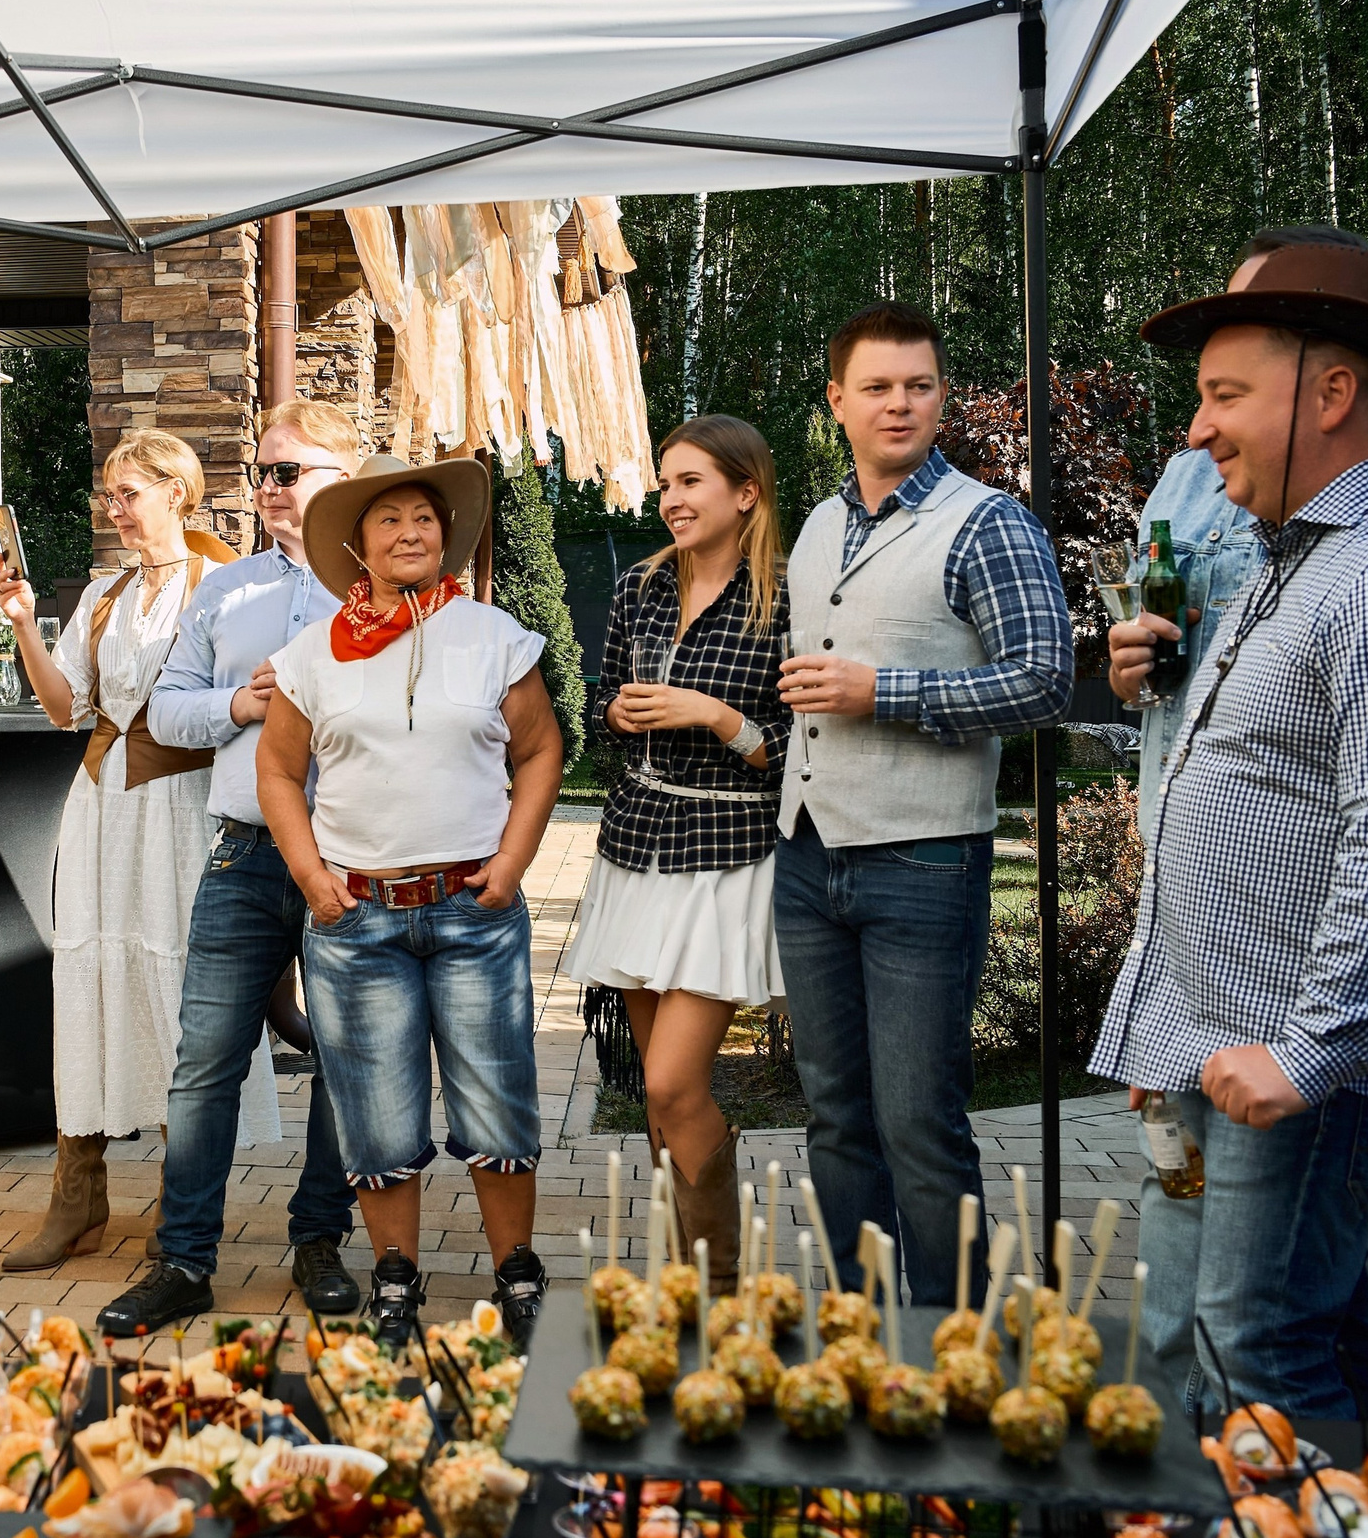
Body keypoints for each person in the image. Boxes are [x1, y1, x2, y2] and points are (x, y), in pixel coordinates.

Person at [1093, 238, 1368, 1419]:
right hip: (1234, 1033)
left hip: (1300, 1051)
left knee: (1262, 1355)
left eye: (1225, 397)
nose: (1196, 430)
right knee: (1284, 1343)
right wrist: (1163, 1013)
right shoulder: (1298, 557)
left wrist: (1304, 1051)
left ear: (1329, 395)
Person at [774, 302, 1072, 1305]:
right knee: (834, 1115)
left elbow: (1043, 681)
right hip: (810, 859)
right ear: (837, 403)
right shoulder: (815, 527)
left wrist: (881, 692)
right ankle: (862, 1345)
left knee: (916, 1122)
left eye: (916, 384)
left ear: (940, 396)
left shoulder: (988, 522)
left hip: (926, 862)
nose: (897, 403)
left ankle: (954, 1355)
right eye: (875, 386)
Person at [256, 455, 564, 1348]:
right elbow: (278, 771)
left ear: (446, 534)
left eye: (423, 518)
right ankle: (395, 1278)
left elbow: (539, 752)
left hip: (475, 911)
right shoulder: (312, 656)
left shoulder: (495, 636)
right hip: (359, 922)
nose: (409, 534)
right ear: (359, 545)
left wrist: (511, 863)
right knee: (379, 1111)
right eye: (388, 520)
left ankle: (518, 1275)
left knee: (497, 1103)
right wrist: (313, 879)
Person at [98, 398, 366, 1334]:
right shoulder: (226, 591)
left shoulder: (387, 586)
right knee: (202, 1064)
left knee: (344, 1057)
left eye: (289, 471)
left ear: (346, 473)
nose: (268, 488)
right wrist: (236, 707)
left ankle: (321, 1237)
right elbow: (163, 718)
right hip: (245, 853)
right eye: (262, 472)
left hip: (353, 860)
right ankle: (183, 1261)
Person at [0, 428, 277, 1272]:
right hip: (100, 802)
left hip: (185, 801)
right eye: (108, 495)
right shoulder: (105, 593)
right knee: (88, 973)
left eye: (130, 494)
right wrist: (22, 627)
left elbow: (252, 698)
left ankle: (176, 1196)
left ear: (178, 494)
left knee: (176, 980)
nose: (113, 510)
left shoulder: (228, 586)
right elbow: (63, 710)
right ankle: (76, 1190)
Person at [568, 416, 792, 1291]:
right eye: (665, 482)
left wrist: (719, 718)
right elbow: (599, 707)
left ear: (745, 493)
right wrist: (614, 716)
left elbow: (801, 746)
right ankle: (687, 1285)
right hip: (635, 845)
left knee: (670, 1084)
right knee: (658, 1099)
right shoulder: (639, 589)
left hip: (728, 850)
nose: (671, 499)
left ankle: (720, 1287)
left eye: (691, 481)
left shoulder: (788, 598)